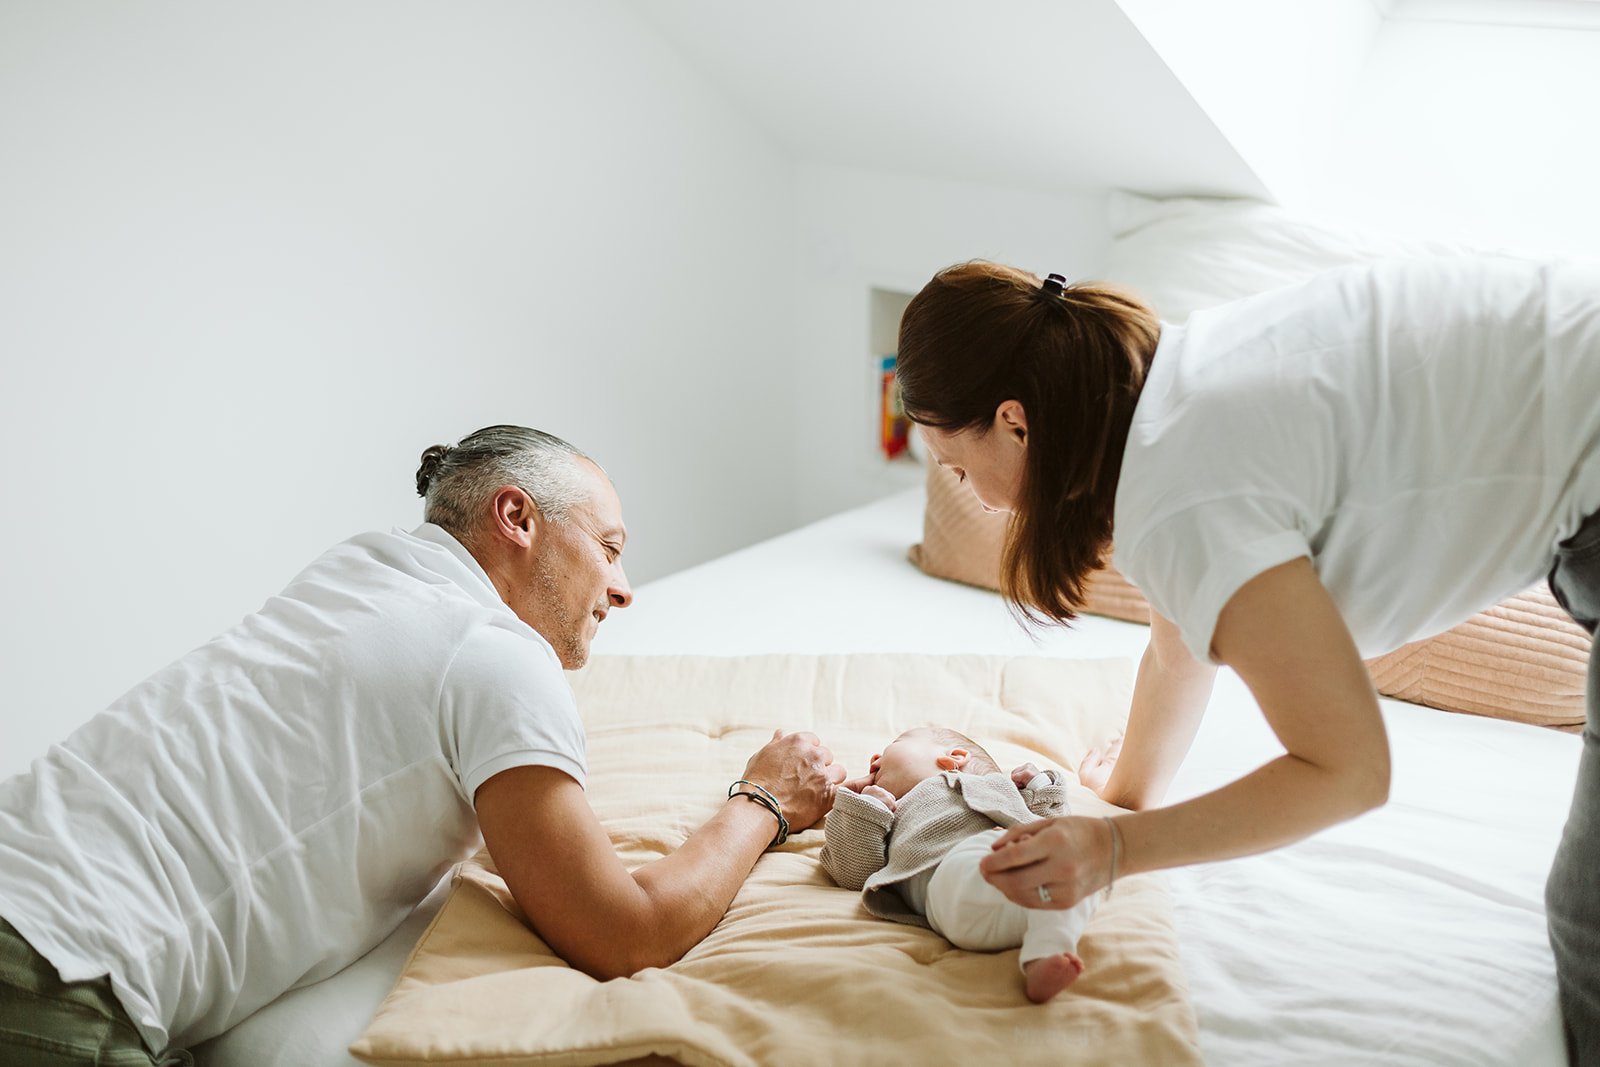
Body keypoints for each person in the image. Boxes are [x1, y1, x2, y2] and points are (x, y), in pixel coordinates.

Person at [893, 257, 1600, 1062]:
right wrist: (1117, 801)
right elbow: (1175, 648)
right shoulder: (1163, 396)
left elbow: (1350, 769)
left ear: (1016, 422)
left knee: (1590, 921)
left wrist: (1119, 849)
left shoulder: (1184, 496)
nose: (975, 495)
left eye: (958, 465)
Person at [0, 424, 845, 1066]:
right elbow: (626, 934)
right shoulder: (494, 651)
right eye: (610, 548)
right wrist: (764, 797)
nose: (623, 589)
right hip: (59, 967)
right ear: (516, 515)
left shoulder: (356, 570)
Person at [819, 726, 1096, 1003]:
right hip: (951, 886)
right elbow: (852, 871)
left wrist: (1039, 787)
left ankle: (1044, 956)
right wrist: (864, 807)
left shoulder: (1001, 788)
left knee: (1080, 873)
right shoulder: (893, 813)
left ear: (953, 758)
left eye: (895, 744)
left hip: (1005, 913)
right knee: (1007, 851)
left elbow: (1053, 826)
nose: (875, 758)